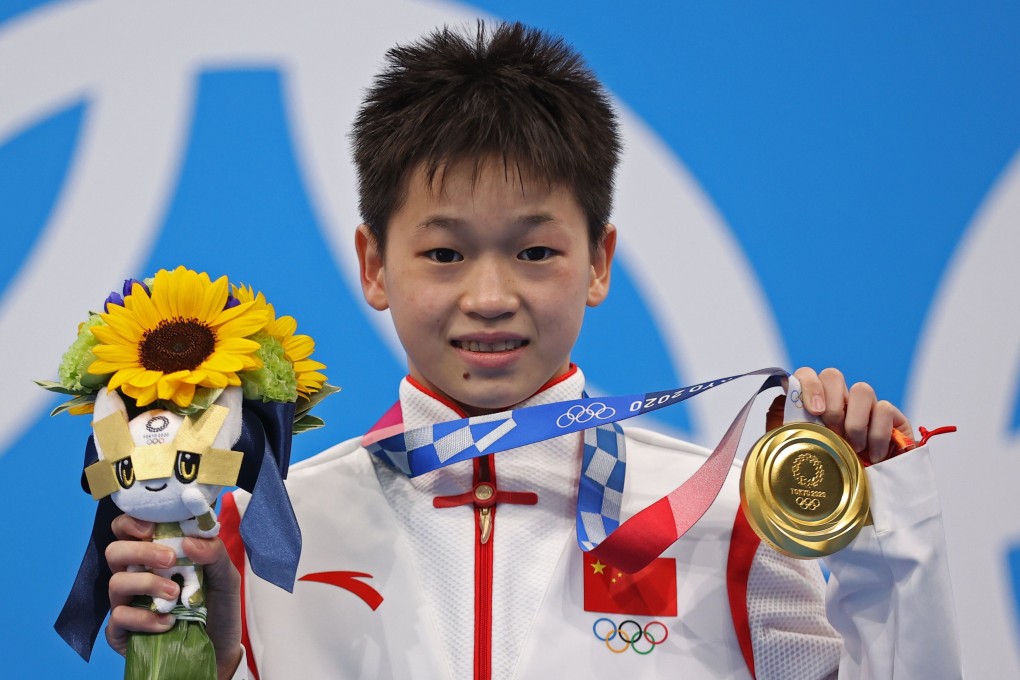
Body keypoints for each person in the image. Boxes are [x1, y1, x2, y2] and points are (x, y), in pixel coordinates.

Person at [103, 21, 962, 680]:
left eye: (535, 251)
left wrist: (879, 534)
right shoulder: (269, 534)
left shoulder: (724, 520)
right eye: (444, 253)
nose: (489, 296)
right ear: (373, 265)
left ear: (599, 263)